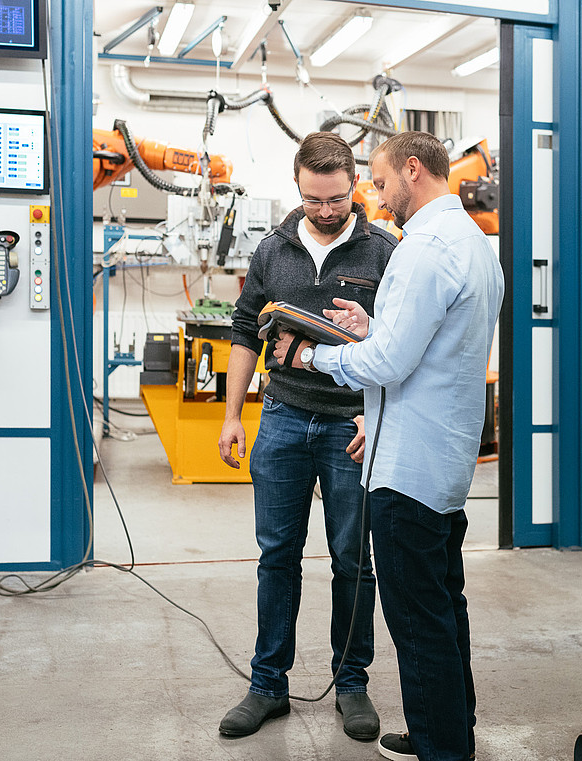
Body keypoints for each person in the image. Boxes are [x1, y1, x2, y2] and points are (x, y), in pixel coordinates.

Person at [273, 130, 504, 761]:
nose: (376, 197)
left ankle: (441, 749)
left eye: (379, 183)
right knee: (443, 608)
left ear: (412, 170)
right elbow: (431, 343)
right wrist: (371, 327)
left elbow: (389, 363)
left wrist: (310, 355)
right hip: (444, 460)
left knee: (416, 620)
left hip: (407, 466)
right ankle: (450, 731)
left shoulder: (423, 248)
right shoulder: (472, 243)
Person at [217, 131, 397, 741]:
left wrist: (377, 414)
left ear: (355, 186)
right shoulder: (273, 250)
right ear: (297, 187)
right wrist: (233, 415)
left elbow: (400, 344)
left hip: (351, 425)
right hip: (284, 418)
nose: (325, 209)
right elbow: (246, 331)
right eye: (313, 199)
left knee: (353, 559)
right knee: (277, 556)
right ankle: (268, 685)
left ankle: (352, 684)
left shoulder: (384, 252)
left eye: (336, 198)